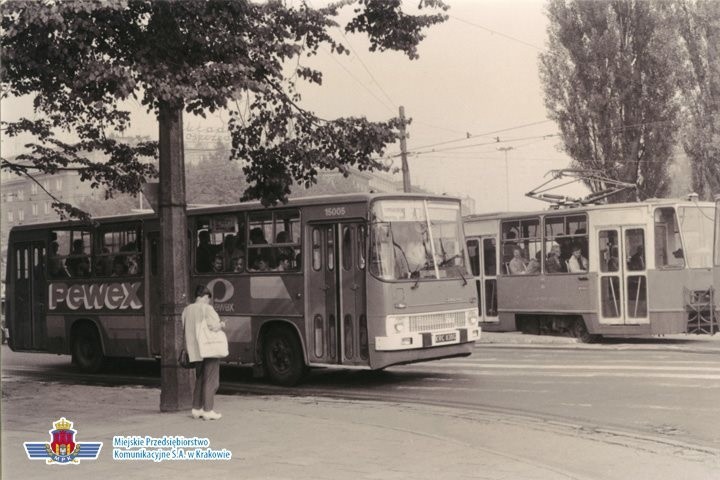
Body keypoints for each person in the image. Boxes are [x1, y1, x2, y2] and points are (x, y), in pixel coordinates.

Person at [183, 285, 226, 421]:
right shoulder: (207, 308)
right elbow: (213, 326)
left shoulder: (186, 310)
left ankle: (196, 409)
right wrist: (222, 324)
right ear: (204, 296)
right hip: (208, 349)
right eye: (208, 298)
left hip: (195, 350)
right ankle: (208, 410)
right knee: (211, 380)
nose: (209, 301)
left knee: (200, 378)